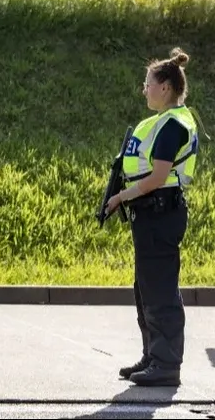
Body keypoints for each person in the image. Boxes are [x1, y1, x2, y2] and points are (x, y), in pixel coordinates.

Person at [105, 48, 200, 388]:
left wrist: (120, 196)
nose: (143, 89)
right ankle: (152, 356)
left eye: (147, 83)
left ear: (165, 86)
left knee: (159, 289)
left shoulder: (173, 124)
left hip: (162, 209)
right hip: (150, 213)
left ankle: (165, 364)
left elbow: (158, 177)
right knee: (145, 287)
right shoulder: (156, 122)